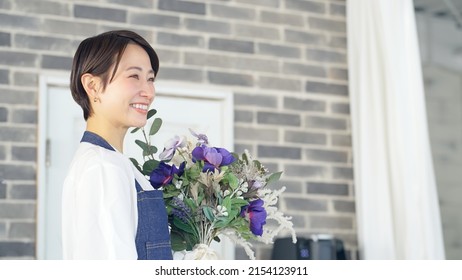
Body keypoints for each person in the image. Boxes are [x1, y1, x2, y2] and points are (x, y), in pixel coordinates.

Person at [62, 30, 173, 260]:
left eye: (150, 79)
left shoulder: (112, 162)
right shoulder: (103, 167)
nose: (149, 92)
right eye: (134, 76)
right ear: (92, 86)